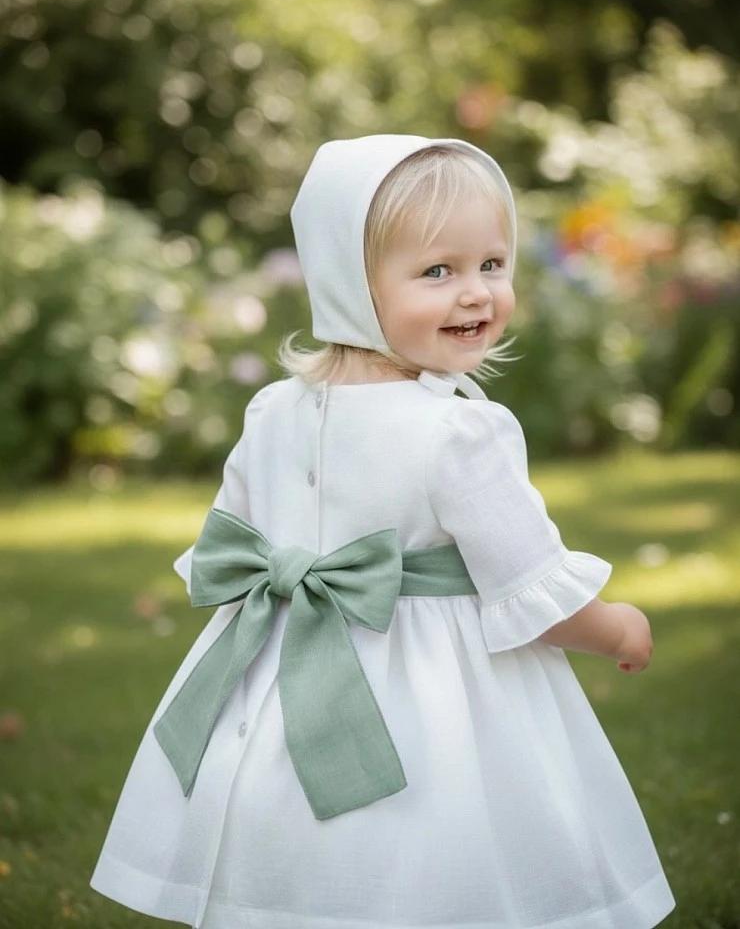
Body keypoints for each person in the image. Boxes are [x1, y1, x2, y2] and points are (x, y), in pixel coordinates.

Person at [90, 134, 675, 929]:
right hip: (439, 703)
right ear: (350, 285)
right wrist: (616, 629)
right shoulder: (459, 432)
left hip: (276, 687)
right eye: (438, 271)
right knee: (438, 851)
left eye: (492, 264)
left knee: (297, 856)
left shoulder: (272, 410)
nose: (476, 294)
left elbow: (230, 545)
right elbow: (529, 581)